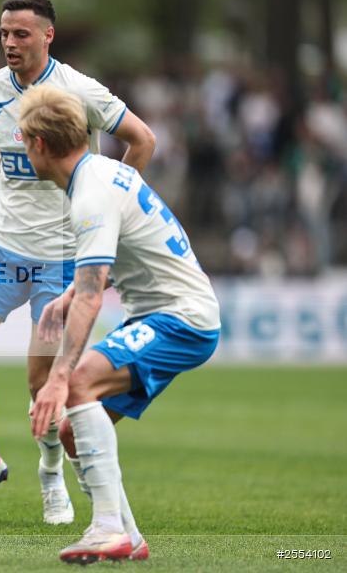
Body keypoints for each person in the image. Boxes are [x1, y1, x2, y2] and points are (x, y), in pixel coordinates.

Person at [0, 0, 156, 524]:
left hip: (65, 257)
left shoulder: (77, 90)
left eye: (21, 34)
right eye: (4, 33)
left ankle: (51, 473)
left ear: (47, 35)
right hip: (4, 245)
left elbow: (141, 139)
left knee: (41, 382)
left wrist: (114, 206)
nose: (9, 42)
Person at [21, 84, 220, 563]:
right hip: (167, 314)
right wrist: (73, 293)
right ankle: (127, 534)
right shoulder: (101, 173)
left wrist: (58, 378)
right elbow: (105, 267)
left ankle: (107, 528)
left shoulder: (89, 195)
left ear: (39, 145)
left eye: (23, 140)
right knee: (72, 432)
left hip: (181, 318)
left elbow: (93, 296)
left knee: (78, 382)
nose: (22, 149)